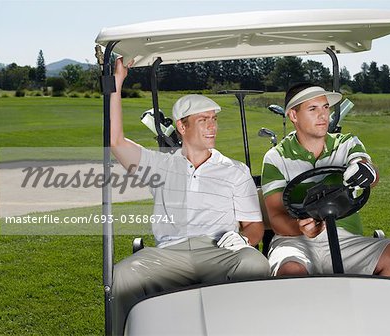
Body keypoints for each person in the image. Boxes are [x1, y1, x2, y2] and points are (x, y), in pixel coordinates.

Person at [110, 57, 270, 335]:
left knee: (254, 262)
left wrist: (243, 240)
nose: (212, 127)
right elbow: (116, 142)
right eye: (203, 120)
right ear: (182, 127)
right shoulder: (159, 164)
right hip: (170, 253)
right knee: (123, 273)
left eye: (214, 120)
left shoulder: (235, 170)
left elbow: (254, 226)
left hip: (218, 250)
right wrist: (117, 83)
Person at [261, 82, 390, 278]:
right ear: (294, 115)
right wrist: (300, 228)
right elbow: (276, 219)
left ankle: (369, 308)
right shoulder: (275, 157)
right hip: (294, 242)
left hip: (347, 240)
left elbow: (365, 167)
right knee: (291, 271)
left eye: (325, 107)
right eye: (313, 109)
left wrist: (366, 170)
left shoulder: (346, 143)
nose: (323, 115)